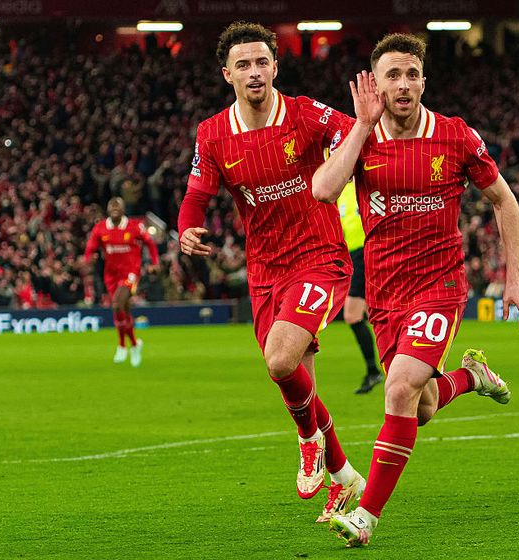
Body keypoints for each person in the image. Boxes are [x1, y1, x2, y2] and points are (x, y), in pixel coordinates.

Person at [312, 33, 519, 547]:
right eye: (392, 74)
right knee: (424, 402)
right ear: (375, 84)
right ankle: (472, 376)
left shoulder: (455, 136)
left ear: (423, 80)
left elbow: (505, 201)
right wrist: (362, 124)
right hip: (385, 294)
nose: (404, 84)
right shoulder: (358, 136)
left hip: (439, 285)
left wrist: (514, 280)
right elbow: (324, 190)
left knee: (399, 388)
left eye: (412, 73)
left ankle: (366, 515)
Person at [177, 22, 365, 523]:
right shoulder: (213, 133)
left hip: (319, 256)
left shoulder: (304, 113)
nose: (255, 72)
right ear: (227, 74)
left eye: (262, 62)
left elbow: (353, 130)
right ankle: (345, 479)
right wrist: (187, 229)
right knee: (302, 380)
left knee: (280, 361)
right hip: (265, 268)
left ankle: (307, 440)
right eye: (244, 64)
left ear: (275, 67)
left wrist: (349, 147)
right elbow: (197, 196)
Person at [84, 197, 160, 367]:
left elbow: (150, 243)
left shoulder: (134, 226)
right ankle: (134, 344)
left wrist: (155, 263)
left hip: (130, 273)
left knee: (117, 305)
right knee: (123, 310)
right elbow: (90, 248)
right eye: (112, 205)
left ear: (124, 209)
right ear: (108, 209)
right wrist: (88, 259)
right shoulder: (100, 228)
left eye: (118, 205)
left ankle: (121, 346)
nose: (115, 207)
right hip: (111, 276)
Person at [337, 181, 384, 394]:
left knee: (353, 315)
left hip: (368, 251)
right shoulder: (339, 191)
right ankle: (384, 367)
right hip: (354, 256)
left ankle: (375, 370)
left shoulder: (363, 182)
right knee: (374, 313)